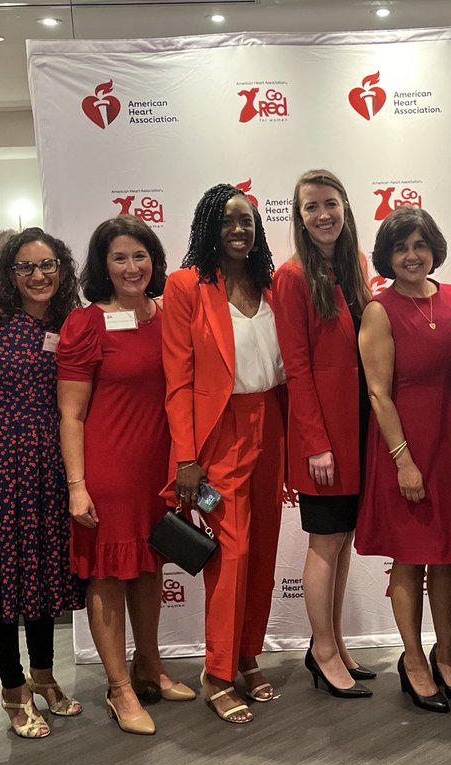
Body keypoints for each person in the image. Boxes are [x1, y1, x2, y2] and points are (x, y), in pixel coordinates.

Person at [57, 215, 193, 736]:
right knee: (109, 575)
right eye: (119, 257)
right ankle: (119, 689)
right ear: (103, 265)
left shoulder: (170, 315)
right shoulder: (86, 322)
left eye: (140, 255)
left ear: (155, 260)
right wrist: (77, 485)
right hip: (108, 469)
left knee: (150, 568)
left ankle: (150, 665)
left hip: (158, 471)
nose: (132, 267)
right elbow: (70, 414)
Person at [163, 184, 286, 724]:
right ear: (209, 226)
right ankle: (216, 670)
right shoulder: (186, 286)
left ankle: (247, 653)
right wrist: (186, 458)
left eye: (249, 222)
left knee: (261, 550)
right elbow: (177, 379)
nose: (240, 230)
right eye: (229, 221)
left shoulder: (271, 285)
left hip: (271, 425)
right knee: (230, 555)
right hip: (218, 436)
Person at [0, 227, 85, 740]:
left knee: (41, 576)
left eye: (49, 265)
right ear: (9, 273)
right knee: (1, 580)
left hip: (52, 465)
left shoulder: (71, 321)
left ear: (63, 268)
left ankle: (43, 675)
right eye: (27, 267)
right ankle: (12, 688)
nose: (39, 276)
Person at [355, 207, 451, 714]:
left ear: (434, 250)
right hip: (403, 445)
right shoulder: (379, 310)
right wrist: (404, 461)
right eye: (402, 247)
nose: (412, 255)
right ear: (388, 254)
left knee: (448, 556)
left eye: (420, 245)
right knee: (409, 558)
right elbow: (378, 395)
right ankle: (413, 661)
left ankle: (446, 654)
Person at [273, 170, 375, 698]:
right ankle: (322, 648)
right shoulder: (291, 277)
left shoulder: (356, 266)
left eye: (330, 203)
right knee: (325, 540)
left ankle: (334, 641)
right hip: (325, 438)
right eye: (311, 207)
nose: (322, 215)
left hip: (360, 427)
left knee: (345, 541)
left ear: (345, 207)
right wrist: (315, 442)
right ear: (299, 216)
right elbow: (296, 367)